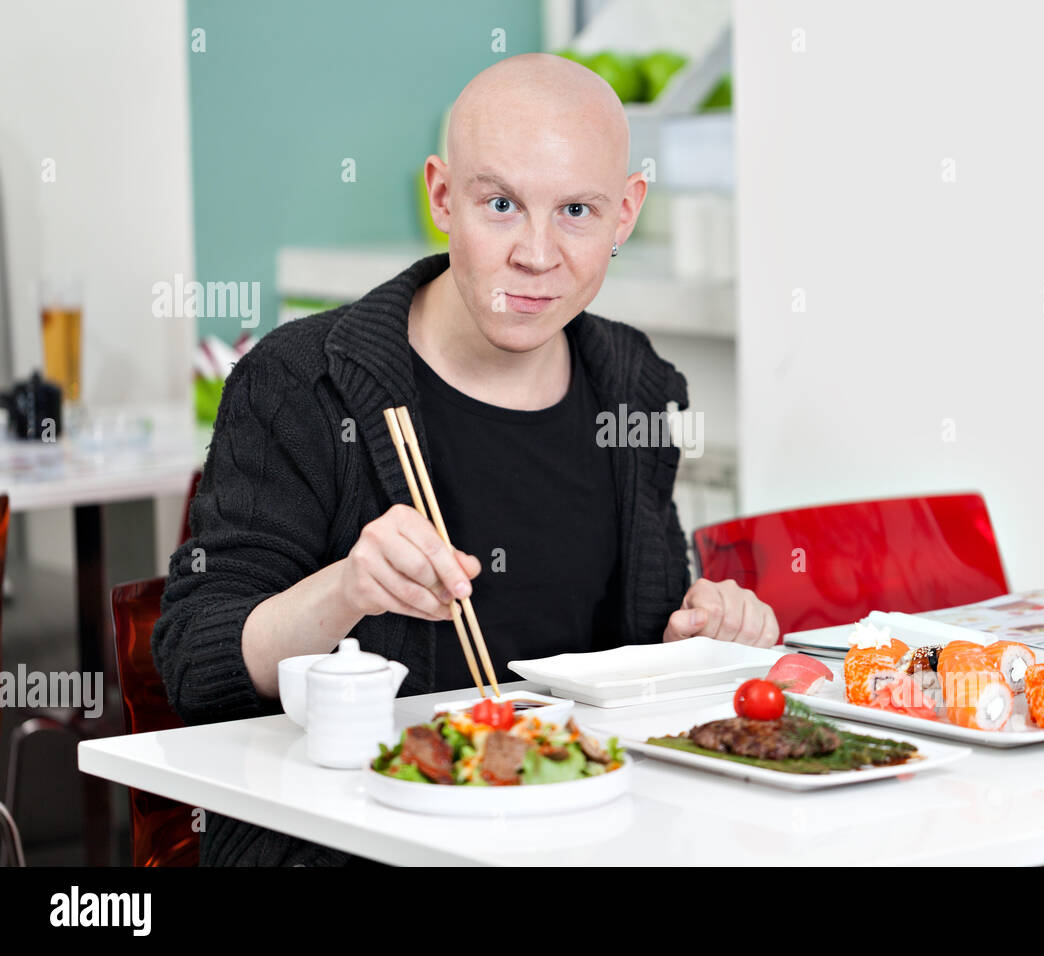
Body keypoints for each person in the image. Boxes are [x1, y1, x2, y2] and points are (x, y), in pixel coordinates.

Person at [153, 53, 779, 866]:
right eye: (500, 204)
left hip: (582, 827)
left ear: (626, 214)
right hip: (345, 840)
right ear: (442, 196)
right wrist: (345, 588)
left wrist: (710, 634)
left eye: (578, 211)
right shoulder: (303, 380)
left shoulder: (634, 385)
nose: (537, 253)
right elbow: (193, 662)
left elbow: (642, 654)